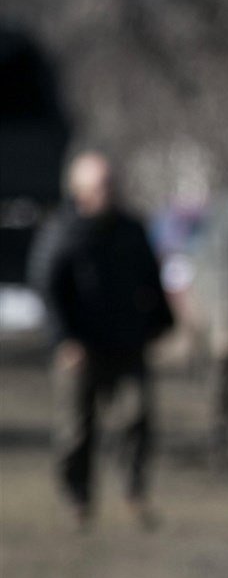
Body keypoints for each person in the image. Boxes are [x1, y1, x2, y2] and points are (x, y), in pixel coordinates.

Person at [29, 151, 173, 529]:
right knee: (75, 429)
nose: (109, 192)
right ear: (80, 191)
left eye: (111, 184)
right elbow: (47, 287)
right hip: (79, 347)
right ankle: (78, 499)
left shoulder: (130, 230)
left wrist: (161, 324)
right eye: (100, 186)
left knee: (136, 418)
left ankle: (134, 493)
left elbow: (151, 280)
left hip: (127, 342)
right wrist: (63, 340)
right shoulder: (62, 231)